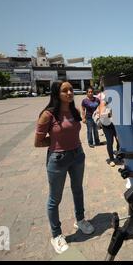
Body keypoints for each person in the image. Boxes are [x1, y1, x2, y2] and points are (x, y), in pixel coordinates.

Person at [34, 80, 95, 254]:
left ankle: (80, 219)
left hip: (77, 155)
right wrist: (55, 142)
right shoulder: (48, 115)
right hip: (58, 159)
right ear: (56, 94)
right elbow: (37, 142)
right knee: (55, 198)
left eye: (70, 90)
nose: (69, 93)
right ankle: (56, 235)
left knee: (78, 190)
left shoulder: (75, 112)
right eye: (64, 91)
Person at [97, 84, 120, 167]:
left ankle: (119, 156)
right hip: (106, 125)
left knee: (119, 140)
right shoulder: (103, 101)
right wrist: (110, 113)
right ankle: (111, 159)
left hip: (115, 123)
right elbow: (101, 114)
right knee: (110, 141)